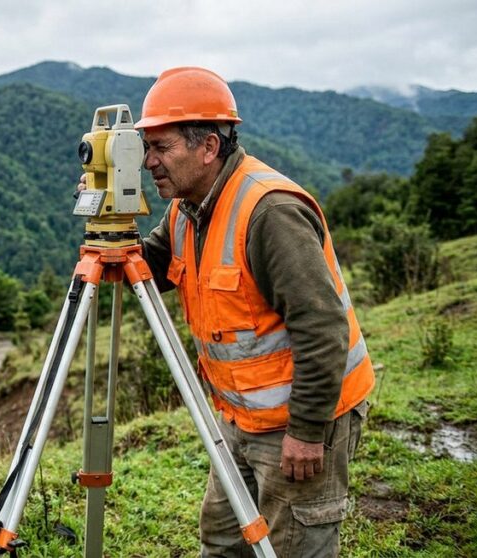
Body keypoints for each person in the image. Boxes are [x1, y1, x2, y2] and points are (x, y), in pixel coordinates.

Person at [79, 67, 374, 557]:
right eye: (144, 148)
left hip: (302, 420)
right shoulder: (188, 205)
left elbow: (322, 327)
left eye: (160, 148)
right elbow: (154, 264)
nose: (148, 162)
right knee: (222, 540)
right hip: (237, 418)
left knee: (291, 547)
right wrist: (108, 232)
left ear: (209, 146)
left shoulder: (269, 212)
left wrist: (306, 431)